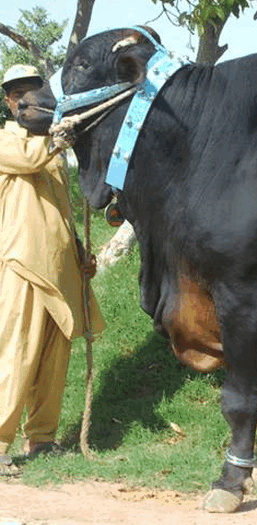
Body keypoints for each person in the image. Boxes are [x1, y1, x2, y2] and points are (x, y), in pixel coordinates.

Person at [0, 64, 104, 475]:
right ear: (9, 102)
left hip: (60, 268)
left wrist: (79, 250)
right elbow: (29, 159)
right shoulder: (8, 143)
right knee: (16, 351)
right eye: (18, 92)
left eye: (33, 90)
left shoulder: (54, 153)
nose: (27, 98)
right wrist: (59, 140)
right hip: (22, 263)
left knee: (53, 357)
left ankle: (41, 438)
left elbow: (60, 207)